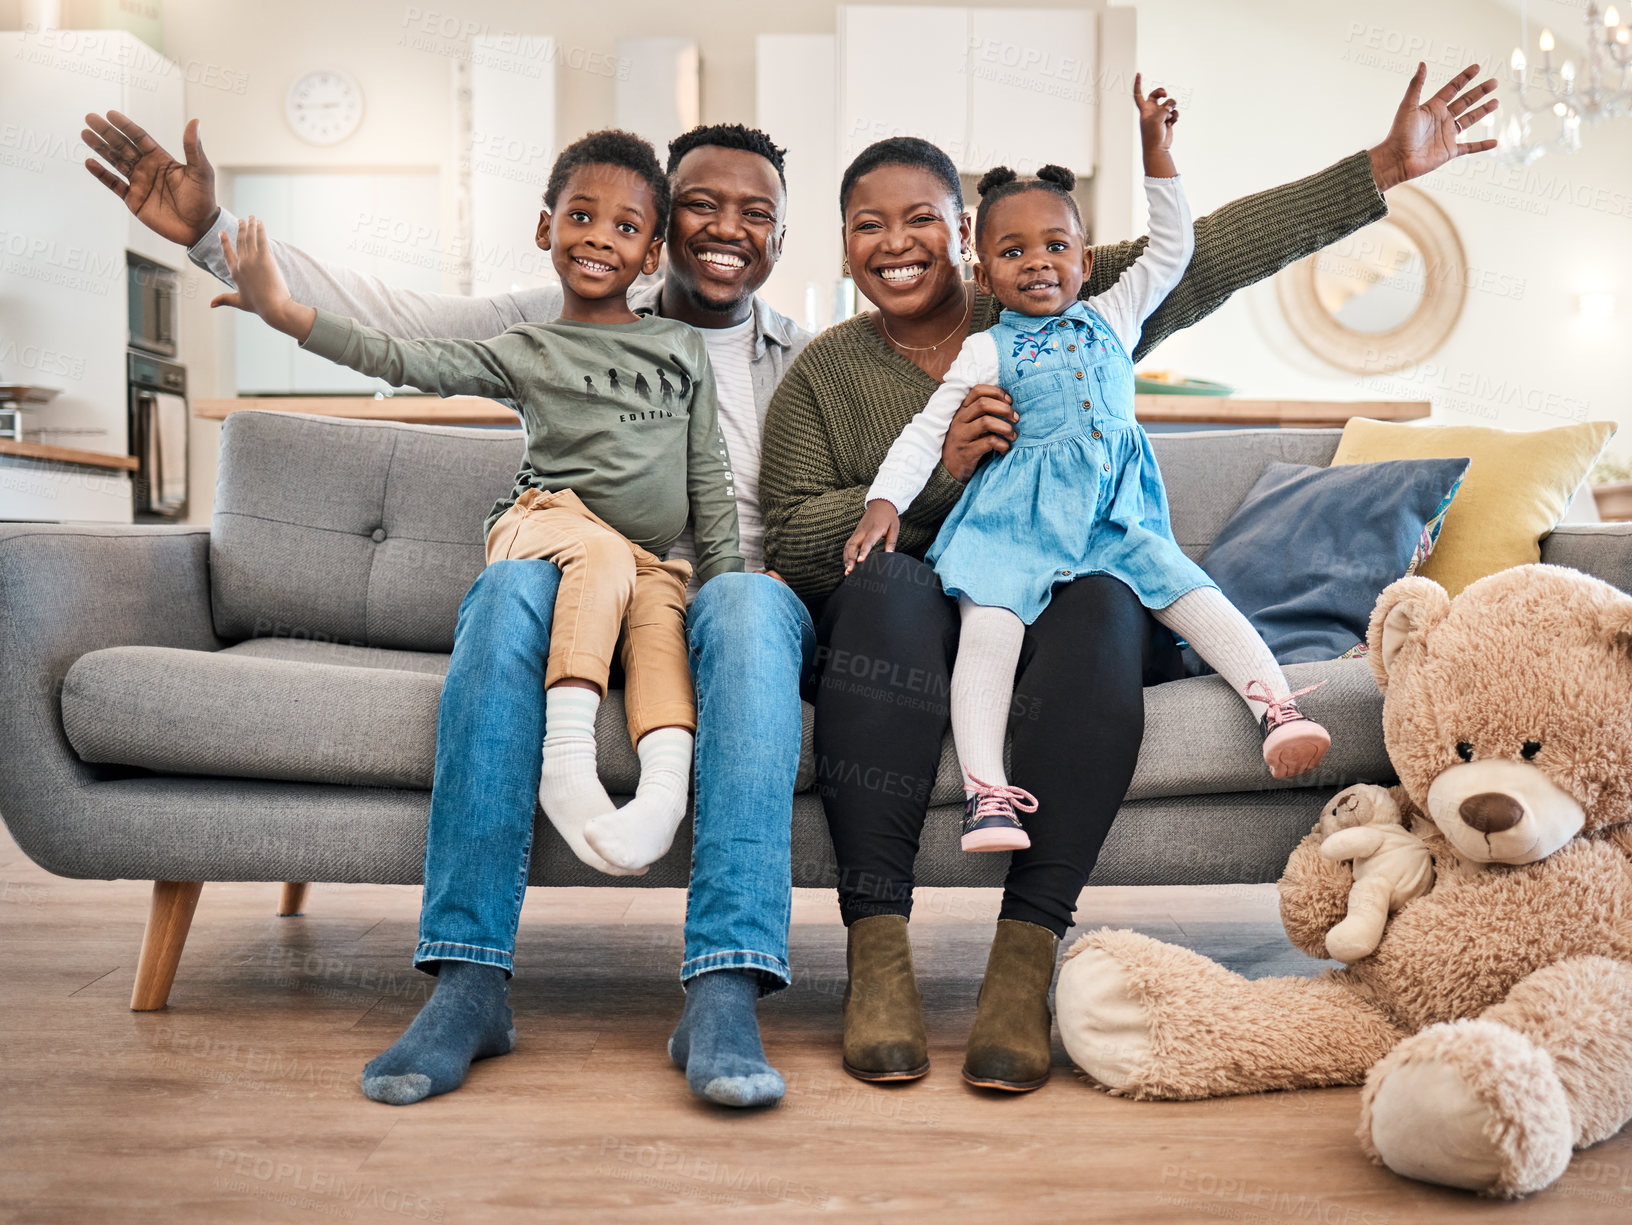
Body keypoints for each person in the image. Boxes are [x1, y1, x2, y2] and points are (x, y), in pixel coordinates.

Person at [83, 59, 1499, 1105]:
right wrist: (222, 244)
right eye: (690, 206)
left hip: (822, 589)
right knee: (597, 595)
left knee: (823, 603)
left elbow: (1208, 256)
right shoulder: (596, 312)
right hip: (651, 575)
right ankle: (481, 976)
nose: (717, 229)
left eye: (749, 211)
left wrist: (1374, 173)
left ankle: (783, 983)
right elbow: (405, 334)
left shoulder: (895, 334)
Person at [759, 65, 1499, 1093]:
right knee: (886, 587)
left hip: (1064, 609)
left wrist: (1380, 169)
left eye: (918, 219)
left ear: (960, 232)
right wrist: (945, 486)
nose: (895, 244)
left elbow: (1213, 248)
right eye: (867, 225)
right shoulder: (827, 374)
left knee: (1109, 593)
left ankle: (1026, 952)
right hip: (921, 619)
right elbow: (796, 538)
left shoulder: (1053, 292)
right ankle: (877, 952)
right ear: (840, 245)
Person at [215, 130, 744, 898]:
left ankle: (660, 799)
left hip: (645, 557)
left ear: (654, 249)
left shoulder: (679, 351)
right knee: (599, 554)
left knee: (661, 615)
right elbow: (403, 356)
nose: (600, 238)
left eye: (626, 227)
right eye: (581, 218)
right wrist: (287, 312)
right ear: (545, 228)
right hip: (543, 520)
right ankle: (565, 766)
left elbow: (712, 482)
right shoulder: (525, 347)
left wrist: (722, 593)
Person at [843, 79, 1331, 862]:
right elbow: (923, 431)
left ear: (1086, 258)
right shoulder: (985, 348)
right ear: (984, 267)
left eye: (1054, 246)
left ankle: (1276, 709)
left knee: (1190, 591)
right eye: (1012, 252)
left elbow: (1175, 247)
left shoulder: (1115, 313)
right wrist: (881, 503)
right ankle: (986, 793)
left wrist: (1155, 151)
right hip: (1014, 519)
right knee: (989, 633)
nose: (1036, 263)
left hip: (1114, 513)